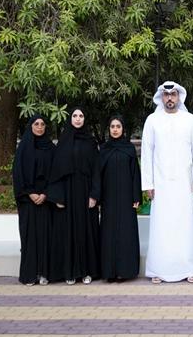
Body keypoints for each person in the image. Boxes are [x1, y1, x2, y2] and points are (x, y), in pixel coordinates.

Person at [141, 81, 193, 283]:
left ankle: (190, 268)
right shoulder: (152, 120)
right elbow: (146, 153)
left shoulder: (190, 120)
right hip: (160, 184)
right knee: (161, 225)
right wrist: (148, 184)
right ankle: (158, 270)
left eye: (173, 94)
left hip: (184, 183)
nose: (170, 98)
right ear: (161, 97)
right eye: (166, 95)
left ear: (179, 97)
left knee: (185, 225)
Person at [48, 107, 101, 285]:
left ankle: (87, 272)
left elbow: (97, 170)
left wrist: (94, 195)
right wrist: (58, 197)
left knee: (86, 231)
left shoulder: (91, 142)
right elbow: (55, 172)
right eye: (75, 116)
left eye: (81, 116)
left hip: (86, 193)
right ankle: (69, 272)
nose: (78, 119)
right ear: (70, 119)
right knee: (68, 232)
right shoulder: (62, 142)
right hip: (68, 195)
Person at [12, 115, 56, 286]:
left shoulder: (51, 148)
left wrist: (45, 194)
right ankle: (29, 275)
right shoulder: (23, 148)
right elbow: (18, 173)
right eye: (36, 124)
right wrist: (30, 193)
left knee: (46, 237)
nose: (39, 127)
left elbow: (55, 173)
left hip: (45, 200)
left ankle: (45, 273)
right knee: (29, 237)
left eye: (43, 124)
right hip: (28, 201)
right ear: (30, 126)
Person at [100, 115, 142, 282]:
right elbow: (98, 174)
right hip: (108, 199)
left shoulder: (129, 149)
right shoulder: (104, 149)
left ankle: (125, 271)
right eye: (112, 127)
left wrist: (136, 196)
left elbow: (135, 174)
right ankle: (109, 272)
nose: (115, 129)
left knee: (126, 233)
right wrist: (97, 196)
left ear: (123, 129)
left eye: (118, 126)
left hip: (126, 199)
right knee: (108, 233)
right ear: (109, 129)